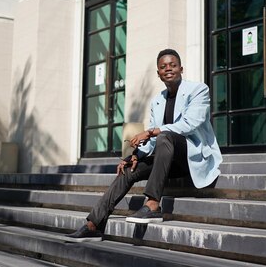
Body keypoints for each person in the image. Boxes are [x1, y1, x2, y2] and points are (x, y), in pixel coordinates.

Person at [65, 48, 222, 241]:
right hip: (167, 159)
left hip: (191, 156)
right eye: (163, 67)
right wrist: (134, 155)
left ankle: (153, 204)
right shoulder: (158, 100)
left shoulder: (198, 90)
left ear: (181, 69)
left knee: (166, 136)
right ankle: (94, 224)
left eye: (173, 65)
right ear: (158, 73)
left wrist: (150, 132)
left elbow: (190, 124)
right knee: (129, 169)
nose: (168, 69)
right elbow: (152, 140)